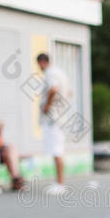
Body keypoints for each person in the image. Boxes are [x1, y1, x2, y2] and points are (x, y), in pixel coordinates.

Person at [36, 53, 69, 195]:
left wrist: (47, 106)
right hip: (60, 117)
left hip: (54, 119)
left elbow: (53, 89)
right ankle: (59, 182)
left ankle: (60, 184)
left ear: (42, 62)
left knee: (56, 150)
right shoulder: (60, 72)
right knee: (57, 149)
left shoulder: (50, 73)